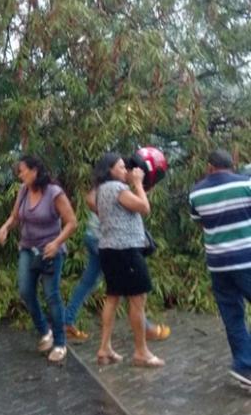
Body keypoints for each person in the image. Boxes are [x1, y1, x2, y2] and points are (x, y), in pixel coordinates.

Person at [0, 156, 77, 362]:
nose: (20, 175)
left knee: (51, 295)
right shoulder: (23, 190)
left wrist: (57, 243)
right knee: (25, 290)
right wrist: (5, 228)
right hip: (27, 248)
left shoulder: (54, 193)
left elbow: (71, 222)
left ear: (35, 171)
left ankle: (60, 343)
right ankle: (44, 330)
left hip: (50, 251)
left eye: (22, 171)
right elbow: (15, 216)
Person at [93, 153, 164, 367]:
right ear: (110, 170)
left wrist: (134, 186)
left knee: (113, 297)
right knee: (137, 300)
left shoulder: (100, 190)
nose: (126, 170)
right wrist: (138, 183)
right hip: (126, 251)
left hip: (109, 249)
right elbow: (144, 207)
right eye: (121, 167)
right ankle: (141, 351)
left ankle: (104, 348)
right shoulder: (116, 188)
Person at [189, 149, 251, 387]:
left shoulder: (196, 192)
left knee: (232, 315)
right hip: (246, 260)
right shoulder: (246, 184)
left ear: (209, 167)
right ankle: (244, 364)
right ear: (231, 165)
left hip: (218, 264)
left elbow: (199, 223)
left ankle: (244, 366)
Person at [64, 208, 171, 343]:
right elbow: (141, 208)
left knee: (88, 282)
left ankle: (67, 321)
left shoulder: (102, 187)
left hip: (94, 234)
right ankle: (145, 329)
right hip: (106, 239)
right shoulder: (115, 188)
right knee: (128, 284)